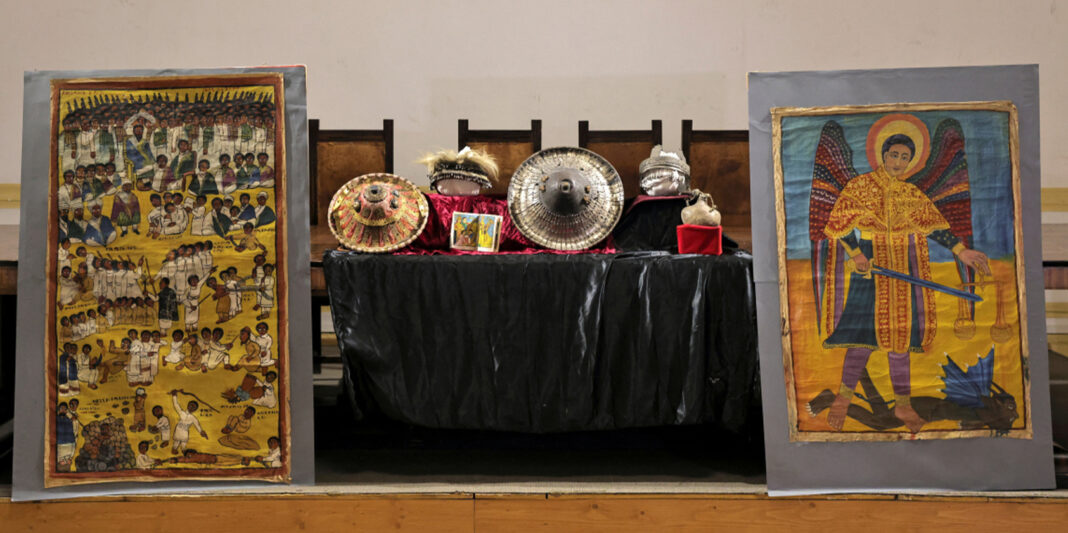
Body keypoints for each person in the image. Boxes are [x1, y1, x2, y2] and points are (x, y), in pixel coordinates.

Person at [822, 133, 992, 433]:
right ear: (883, 155)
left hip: (903, 267)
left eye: (905, 158)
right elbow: (840, 224)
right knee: (862, 338)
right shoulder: (860, 187)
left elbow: (934, 228)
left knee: (900, 339)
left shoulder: (911, 193)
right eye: (894, 155)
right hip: (871, 268)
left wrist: (961, 251)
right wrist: (857, 254)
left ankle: (902, 404)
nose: (899, 162)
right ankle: (843, 399)